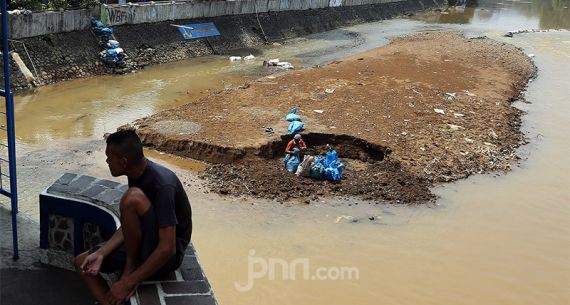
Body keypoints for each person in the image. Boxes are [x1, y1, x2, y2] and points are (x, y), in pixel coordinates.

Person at [74, 130, 192, 305]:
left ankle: (131, 267)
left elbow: (168, 248)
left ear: (123, 162)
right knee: (82, 262)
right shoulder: (136, 175)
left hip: (166, 258)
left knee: (132, 197)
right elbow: (129, 225)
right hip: (145, 241)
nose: (107, 162)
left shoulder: (163, 185)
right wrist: (101, 253)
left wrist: (129, 280)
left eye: (109, 158)